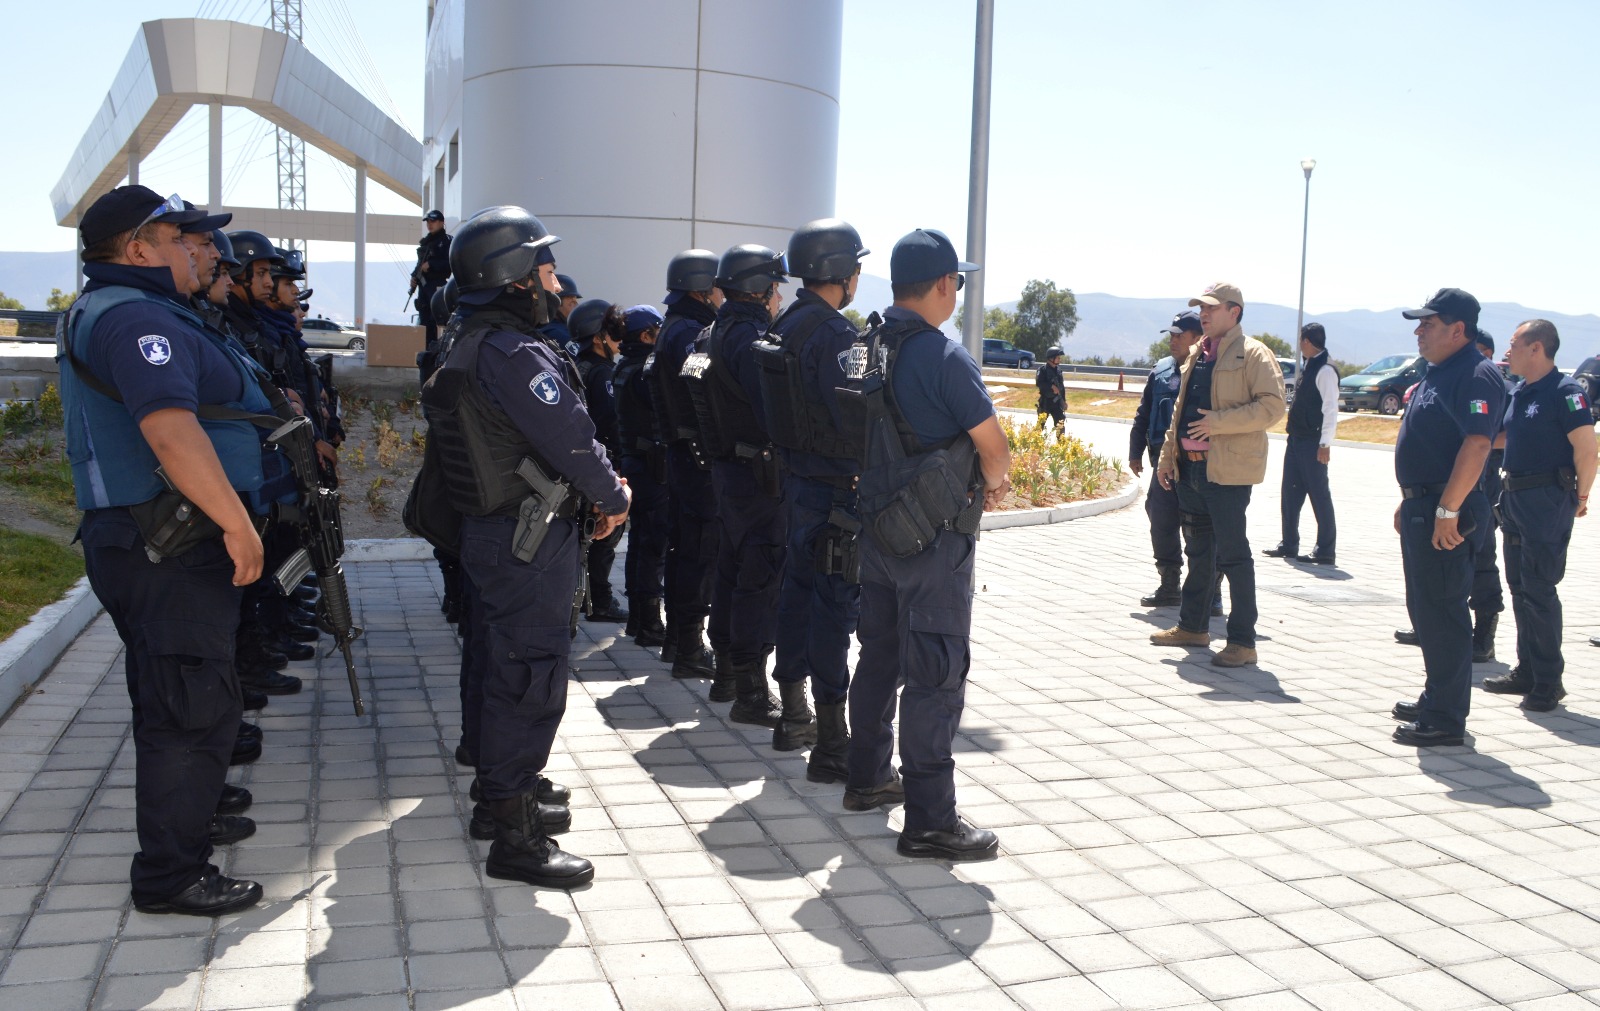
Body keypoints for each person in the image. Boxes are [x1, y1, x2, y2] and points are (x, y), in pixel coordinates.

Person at [61, 186, 280, 916]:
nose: (204, 250)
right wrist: (236, 523)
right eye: (184, 238)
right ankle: (172, 873)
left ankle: (191, 817)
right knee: (190, 706)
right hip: (170, 540)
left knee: (178, 693)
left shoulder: (139, 309)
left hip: (161, 538)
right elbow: (169, 430)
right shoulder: (133, 317)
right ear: (137, 250)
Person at [423, 205, 629, 888]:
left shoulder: (475, 338)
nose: (552, 278)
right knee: (528, 675)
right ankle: (515, 836)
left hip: (498, 534)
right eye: (542, 265)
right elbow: (571, 437)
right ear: (512, 276)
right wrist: (614, 494)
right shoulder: (514, 353)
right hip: (525, 538)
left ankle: (502, 793)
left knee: (499, 662)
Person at [847, 228, 1011, 859]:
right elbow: (993, 450)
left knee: (879, 657)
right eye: (958, 282)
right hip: (934, 540)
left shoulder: (869, 346)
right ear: (943, 284)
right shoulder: (943, 356)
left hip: (878, 531)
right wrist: (993, 484)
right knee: (935, 675)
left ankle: (865, 778)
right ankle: (930, 820)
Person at [766, 219, 868, 778]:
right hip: (836, 493)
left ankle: (795, 714)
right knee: (831, 610)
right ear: (840, 273)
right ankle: (831, 744)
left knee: (796, 596)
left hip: (798, 486)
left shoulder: (785, 325)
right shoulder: (834, 336)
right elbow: (856, 419)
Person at [1388, 288, 1506, 747]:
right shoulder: (1439, 372)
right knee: (1426, 610)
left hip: (1448, 509)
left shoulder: (1475, 374)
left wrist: (1446, 509)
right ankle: (1437, 695)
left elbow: (1477, 445)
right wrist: (1412, 498)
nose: (1419, 331)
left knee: (1444, 611)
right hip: (1427, 505)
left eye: (1428, 324)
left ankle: (1445, 718)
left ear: (1458, 330)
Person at [1151, 283, 1285, 667]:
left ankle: (1243, 642)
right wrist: (1167, 458)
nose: (1203, 314)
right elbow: (1179, 412)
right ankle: (1193, 627)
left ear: (1235, 313)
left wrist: (1220, 423)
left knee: (1233, 556)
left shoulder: (1255, 354)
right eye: (1201, 308)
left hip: (1226, 473)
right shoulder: (1198, 354)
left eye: (1211, 308)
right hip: (1190, 469)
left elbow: (1274, 407)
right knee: (1199, 553)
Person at [1480, 320, 1596, 712]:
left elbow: (1587, 448)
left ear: (1537, 348)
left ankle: (1549, 681)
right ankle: (1526, 670)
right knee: (1519, 587)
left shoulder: (1565, 392)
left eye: (1514, 344)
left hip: (1547, 499)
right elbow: (1511, 437)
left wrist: (1581, 494)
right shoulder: (1521, 391)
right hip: (1514, 498)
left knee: (1540, 589)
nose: (1507, 352)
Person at [702, 244, 790, 726]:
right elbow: (771, 410)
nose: (778, 297)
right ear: (760, 290)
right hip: (758, 476)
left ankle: (727, 674)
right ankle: (752, 690)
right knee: (759, 580)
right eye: (775, 287)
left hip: (729, 471)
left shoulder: (712, 331)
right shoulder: (751, 339)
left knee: (733, 571)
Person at [1395, 327, 1508, 660]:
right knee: (1431, 587)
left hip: (1477, 490)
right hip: (1439, 494)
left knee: (1482, 565)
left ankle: (1484, 630)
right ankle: (1433, 642)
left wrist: (1475, 442)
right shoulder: (1440, 379)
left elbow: (1506, 434)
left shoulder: (1490, 382)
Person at [651, 249, 723, 681]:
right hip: (697, 457)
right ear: (702, 289)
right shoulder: (691, 332)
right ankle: (690, 646)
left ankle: (679, 638)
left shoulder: (673, 328)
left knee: (684, 550)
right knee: (699, 553)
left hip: (680, 453)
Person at [1131, 311, 1202, 608]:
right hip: (1163, 462)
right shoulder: (1160, 370)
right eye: (1171, 335)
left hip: (1198, 463)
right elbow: (1143, 413)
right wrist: (1135, 451)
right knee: (1160, 516)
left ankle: (1210, 592)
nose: (1173, 340)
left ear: (1197, 338)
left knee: (1201, 526)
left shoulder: (1207, 369)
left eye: (1179, 335)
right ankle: (1169, 582)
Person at [569, 298, 630, 623]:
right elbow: (610, 420)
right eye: (613, 331)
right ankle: (600, 602)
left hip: (582, 465)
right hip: (601, 463)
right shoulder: (602, 371)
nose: (619, 338)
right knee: (606, 536)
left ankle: (585, 599)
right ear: (598, 337)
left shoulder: (579, 366)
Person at [614, 304, 669, 647]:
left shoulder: (624, 368)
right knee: (653, 548)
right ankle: (649, 624)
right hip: (651, 468)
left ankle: (638, 619)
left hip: (637, 464)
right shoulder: (644, 372)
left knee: (640, 544)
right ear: (646, 335)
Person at [1265, 322, 1339, 564]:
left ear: (1307, 341)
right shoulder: (1309, 367)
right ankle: (1289, 543)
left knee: (1319, 495)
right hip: (1296, 440)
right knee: (1290, 493)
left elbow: (1330, 409)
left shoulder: (1325, 370)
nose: (1299, 345)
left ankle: (1325, 549)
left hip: (1313, 442)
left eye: (1301, 340)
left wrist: (1325, 444)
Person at [412, 209, 452, 344]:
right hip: (424, 286)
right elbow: (419, 263)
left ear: (441, 222)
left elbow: (450, 264)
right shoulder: (426, 242)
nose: (430, 224)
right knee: (423, 318)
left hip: (437, 285)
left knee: (434, 318)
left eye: (433, 221)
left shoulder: (447, 242)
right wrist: (414, 277)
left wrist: (432, 264)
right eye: (428, 221)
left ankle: (434, 348)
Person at [1035, 347, 1066, 429]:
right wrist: (1051, 386)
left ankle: (1061, 442)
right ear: (1051, 358)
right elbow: (1039, 383)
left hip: (1056, 403)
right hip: (1045, 402)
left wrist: (1063, 401)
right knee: (1040, 427)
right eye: (1058, 358)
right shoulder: (1043, 370)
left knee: (1060, 425)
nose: (1059, 359)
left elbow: (1061, 387)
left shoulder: (1058, 370)